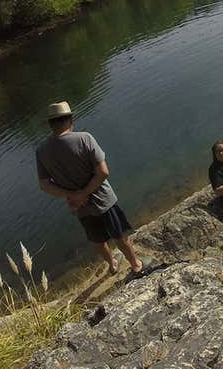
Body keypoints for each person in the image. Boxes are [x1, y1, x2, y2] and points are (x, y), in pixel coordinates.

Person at [36, 101, 143, 275]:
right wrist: (84, 193)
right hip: (103, 199)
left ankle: (112, 264)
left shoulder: (41, 151)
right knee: (120, 235)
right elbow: (103, 172)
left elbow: (44, 184)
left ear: (50, 124)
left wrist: (73, 196)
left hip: (79, 206)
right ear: (71, 120)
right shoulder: (84, 138)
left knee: (97, 240)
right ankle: (136, 264)